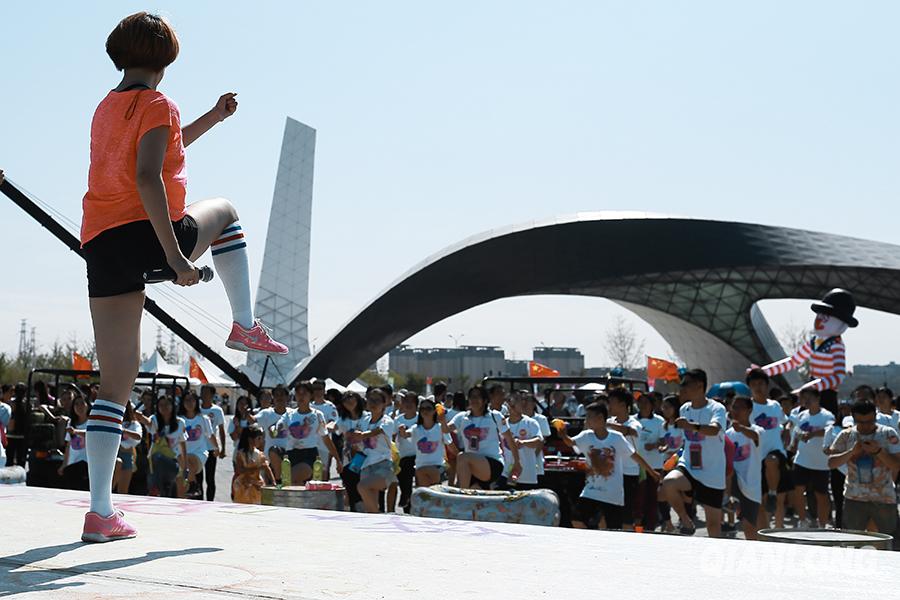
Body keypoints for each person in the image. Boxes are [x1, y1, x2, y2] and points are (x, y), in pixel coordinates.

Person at [78, 11, 288, 544]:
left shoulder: (107, 108)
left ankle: (100, 513)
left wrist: (212, 119)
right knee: (227, 211)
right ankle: (243, 323)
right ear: (167, 61)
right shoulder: (157, 104)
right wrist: (175, 258)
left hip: (101, 243)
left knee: (114, 385)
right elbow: (149, 175)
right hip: (148, 232)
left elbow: (163, 150)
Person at [557, 402, 660, 530]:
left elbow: (634, 455)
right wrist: (563, 435)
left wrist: (651, 471)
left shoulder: (616, 438)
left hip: (612, 494)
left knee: (613, 530)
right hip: (591, 491)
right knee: (576, 520)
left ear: (600, 418)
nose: (586, 420)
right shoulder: (586, 436)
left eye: (589, 416)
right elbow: (571, 442)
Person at [661, 369, 727, 537]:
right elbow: (686, 440)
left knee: (713, 526)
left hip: (712, 472)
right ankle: (686, 521)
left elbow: (714, 430)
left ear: (699, 385)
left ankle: (716, 558)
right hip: (689, 466)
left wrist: (693, 426)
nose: (682, 388)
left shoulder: (716, 408)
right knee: (669, 483)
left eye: (685, 384)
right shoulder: (684, 409)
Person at [828, 400, 900, 537]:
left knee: (888, 541)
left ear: (875, 416)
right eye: (861, 422)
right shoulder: (846, 435)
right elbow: (832, 463)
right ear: (853, 418)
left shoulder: (888, 433)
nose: (866, 426)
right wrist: (851, 452)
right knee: (852, 541)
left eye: (870, 421)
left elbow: (897, 464)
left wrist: (878, 451)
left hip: (883, 498)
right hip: (854, 498)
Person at [450, 386, 521, 490]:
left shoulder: (494, 416)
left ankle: (462, 494)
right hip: (473, 466)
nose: (474, 400)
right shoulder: (462, 417)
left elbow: (510, 439)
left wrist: (517, 462)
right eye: (472, 397)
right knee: (475, 492)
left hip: (493, 463)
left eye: (478, 397)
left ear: (484, 400)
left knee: (462, 457)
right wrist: (441, 418)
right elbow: (446, 429)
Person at [745, 368, 791, 528]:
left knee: (779, 498)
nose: (758, 387)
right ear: (749, 387)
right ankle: (765, 534)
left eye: (761, 383)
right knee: (762, 502)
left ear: (767, 385)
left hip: (777, 453)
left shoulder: (775, 405)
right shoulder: (748, 407)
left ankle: (779, 530)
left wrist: (786, 430)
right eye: (754, 384)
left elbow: (786, 421)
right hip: (756, 458)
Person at [273, 381, 341, 485]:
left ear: (310, 395)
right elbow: (278, 426)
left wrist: (337, 459)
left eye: (304, 393)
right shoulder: (289, 414)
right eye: (298, 393)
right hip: (291, 454)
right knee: (296, 486)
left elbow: (326, 439)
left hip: (309, 455)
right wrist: (276, 429)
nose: (301, 396)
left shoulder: (318, 415)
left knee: (292, 478)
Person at [790, 387, 835, 528]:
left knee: (821, 495)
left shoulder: (827, 415)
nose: (807, 401)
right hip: (802, 459)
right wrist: (794, 443)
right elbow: (796, 430)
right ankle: (803, 520)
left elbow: (829, 430)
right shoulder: (801, 415)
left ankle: (822, 524)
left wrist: (813, 434)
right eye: (804, 398)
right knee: (798, 490)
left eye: (810, 397)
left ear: (818, 398)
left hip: (820, 463)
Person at [350, 388, 397, 513]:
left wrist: (363, 435)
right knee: (370, 505)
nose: (373, 403)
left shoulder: (387, 420)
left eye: (377, 400)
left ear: (384, 404)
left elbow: (379, 430)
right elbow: (358, 439)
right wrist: (355, 439)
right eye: (371, 400)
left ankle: (377, 516)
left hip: (383, 465)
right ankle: (376, 521)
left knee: (362, 486)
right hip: (365, 465)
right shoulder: (364, 420)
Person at [725, 396, 763, 540]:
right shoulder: (728, 434)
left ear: (749, 410)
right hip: (733, 483)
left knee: (749, 527)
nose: (736, 411)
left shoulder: (758, 430)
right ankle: (728, 500)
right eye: (734, 407)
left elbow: (754, 436)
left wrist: (741, 428)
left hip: (750, 487)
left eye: (740, 407)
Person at [606, 388, 644, 531]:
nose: (609, 406)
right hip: (610, 473)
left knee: (626, 514)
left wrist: (606, 425)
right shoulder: (609, 421)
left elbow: (631, 431)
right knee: (608, 512)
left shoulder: (634, 423)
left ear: (623, 405)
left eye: (612, 403)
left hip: (628, 474)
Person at [398, 396, 450, 488]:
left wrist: (443, 421)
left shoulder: (439, 427)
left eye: (428, 408)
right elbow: (406, 434)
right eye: (422, 409)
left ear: (434, 411)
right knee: (425, 496)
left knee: (433, 492)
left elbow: (448, 439)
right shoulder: (416, 428)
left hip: (437, 466)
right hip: (420, 467)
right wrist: (402, 431)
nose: (425, 411)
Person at [146, 395, 188, 499]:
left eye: (167, 404)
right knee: (157, 459)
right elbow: (147, 422)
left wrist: (185, 468)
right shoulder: (154, 419)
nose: (164, 407)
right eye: (161, 405)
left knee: (159, 459)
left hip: (172, 461)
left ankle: (160, 490)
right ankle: (160, 491)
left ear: (173, 406)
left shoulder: (180, 422)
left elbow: (183, 445)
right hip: (155, 463)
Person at [635, 393, 666, 531]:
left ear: (652, 405)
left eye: (646, 403)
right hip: (636, 465)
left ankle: (650, 528)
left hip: (655, 465)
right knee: (638, 497)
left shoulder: (659, 421)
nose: (643, 406)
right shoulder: (632, 420)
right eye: (640, 402)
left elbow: (665, 440)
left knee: (652, 497)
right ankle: (637, 527)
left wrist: (654, 445)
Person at [179, 392, 219, 498]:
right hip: (182, 452)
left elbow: (210, 435)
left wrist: (216, 447)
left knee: (189, 463)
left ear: (196, 402)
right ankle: (192, 487)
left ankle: (193, 485)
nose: (190, 403)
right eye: (187, 400)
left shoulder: (203, 419)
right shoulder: (179, 420)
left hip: (199, 453)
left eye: (192, 400)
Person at [500, 394, 543, 490]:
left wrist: (523, 442)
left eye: (520, 402)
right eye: (513, 403)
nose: (521, 404)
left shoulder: (531, 423)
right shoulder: (502, 424)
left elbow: (538, 440)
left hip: (526, 475)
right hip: (506, 472)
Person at [335, 391, 368, 512]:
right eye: (345, 399)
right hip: (347, 456)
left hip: (364, 456)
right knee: (349, 483)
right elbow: (336, 428)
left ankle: (363, 506)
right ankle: (356, 508)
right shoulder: (343, 419)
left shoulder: (366, 417)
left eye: (351, 398)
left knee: (360, 483)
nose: (349, 401)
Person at [821, 394, 848, 528]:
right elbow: (825, 449)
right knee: (839, 501)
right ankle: (839, 527)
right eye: (842, 409)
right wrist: (836, 450)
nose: (845, 412)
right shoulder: (831, 429)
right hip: (837, 470)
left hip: (853, 470)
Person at [255, 385, 290, 482]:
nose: (279, 397)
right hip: (269, 459)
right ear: (273, 398)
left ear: (287, 397)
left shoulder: (292, 414)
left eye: (282, 395)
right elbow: (254, 419)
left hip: (288, 457)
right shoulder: (266, 413)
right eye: (276, 395)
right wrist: (246, 414)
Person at [232, 425, 275, 504]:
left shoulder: (259, 454)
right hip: (243, 485)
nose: (261, 441)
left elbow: (266, 468)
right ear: (250, 440)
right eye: (258, 438)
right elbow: (239, 470)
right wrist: (257, 468)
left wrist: (273, 482)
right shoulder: (241, 454)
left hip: (257, 485)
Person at [392, 391, 419, 513]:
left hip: (419, 455)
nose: (408, 404)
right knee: (403, 481)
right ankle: (407, 503)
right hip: (403, 454)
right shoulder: (398, 420)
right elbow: (392, 436)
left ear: (416, 404)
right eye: (406, 401)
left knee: (415, 482)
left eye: (411, 402)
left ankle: (413, 502)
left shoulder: (421, 418)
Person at [58, 395, 92, 490]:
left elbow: (91, 435)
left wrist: (76, 432)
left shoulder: (92, 422)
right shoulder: (71, 423)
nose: (79, 406)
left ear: (88, 406)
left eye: (82, 403)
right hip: (72, 464)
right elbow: (68, 445)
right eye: (76, 404)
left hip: (87, 464)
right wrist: (64, 464)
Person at [199, 384, 226, 501]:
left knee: (210, 478)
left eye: (206, 392)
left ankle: (210, 501)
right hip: (198, 448)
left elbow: (221, 430)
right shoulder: (196, 409)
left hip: (211, 448)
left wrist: (222, 448)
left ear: (212, 395)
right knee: (197, 477)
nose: (203, 395)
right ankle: (198, 500)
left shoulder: (217, 410)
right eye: (202, 392)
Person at [311, 380, 339, 478]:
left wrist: (324, 427)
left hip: (324, 445)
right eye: (315, 389)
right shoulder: (308, 406)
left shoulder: (330, 406)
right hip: (310, 444)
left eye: (320, 389)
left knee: (323, 472)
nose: (317, 391)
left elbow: (334, 422)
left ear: (324, 390)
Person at [113, 402, 143, 494]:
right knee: (109, 488)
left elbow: (138, 436)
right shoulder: (113, 421)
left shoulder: (134, 424)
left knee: (122, 491)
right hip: (113, 456)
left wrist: (124, 431)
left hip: (127, 455)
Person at [522, 394, 551, 487]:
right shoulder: (517, 419)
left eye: (528, 400)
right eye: (523, 400)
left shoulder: (541, 419)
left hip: (535, 462)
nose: (525, 403)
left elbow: (541, 442)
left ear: (534, 403)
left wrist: (530, 459)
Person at [5, 383, 29, 467]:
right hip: (22, 436)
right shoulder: (27, 404)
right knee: (21, 461)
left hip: (10, 435)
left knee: (9, 460)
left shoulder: (10, 404)